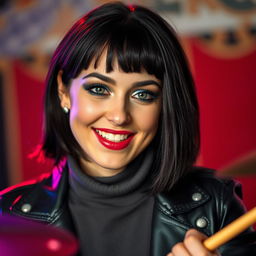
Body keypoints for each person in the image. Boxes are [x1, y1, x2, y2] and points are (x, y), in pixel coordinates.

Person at [0, 2, 255, 256]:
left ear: (165, 105)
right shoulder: (6, 215)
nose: (119, 116)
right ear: (63, 91)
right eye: (99, 89)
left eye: (143, 94)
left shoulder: (217, 204)